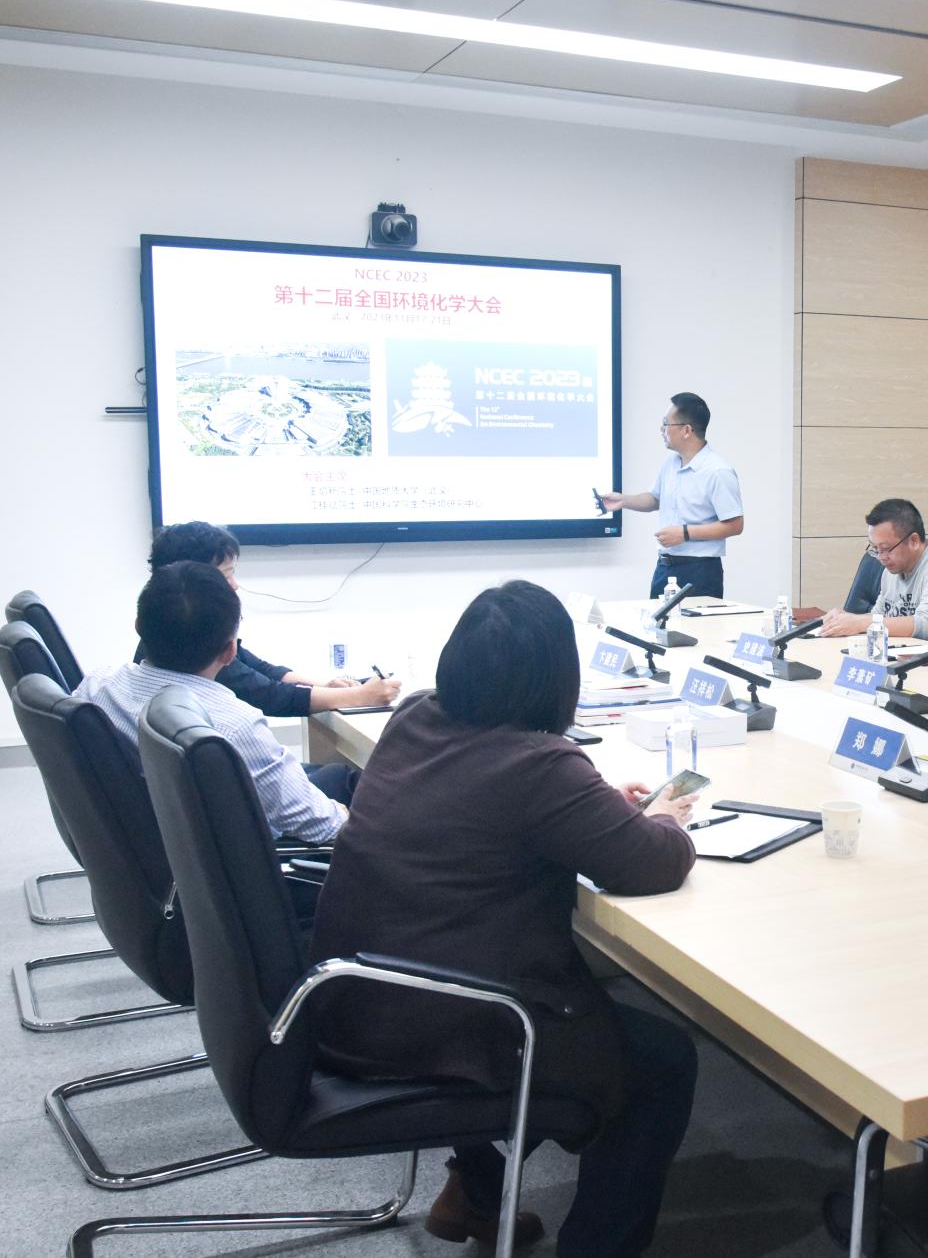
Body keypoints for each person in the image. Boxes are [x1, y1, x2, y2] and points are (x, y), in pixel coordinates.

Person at [309, 580, 701, 1256]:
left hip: (357, 993)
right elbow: (651, 863)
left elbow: (488, 802)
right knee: (661, 1064)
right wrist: (665, 819)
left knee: (572, 1032)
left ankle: (479, 1192)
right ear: (557, 677)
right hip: (446, 1017)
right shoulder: (540, 765)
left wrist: (594, 804)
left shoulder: (415, 715)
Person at [76, 561, 346, 844]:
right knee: (355, 789)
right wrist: (342, 814)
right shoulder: (232, 725)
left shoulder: (96, 687)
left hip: (149, 845)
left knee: (337, 777)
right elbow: (326, 828)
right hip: (257, 860)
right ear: (230, 652)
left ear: (138, 627)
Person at [141, 521, 401, 715]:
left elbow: (260, 670)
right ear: (193, 579)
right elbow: (269, 695)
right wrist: (360, 696)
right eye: (226, 574)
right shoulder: (192, 644)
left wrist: (327, 686)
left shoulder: (159, 631)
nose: (234, 585)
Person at [597, 392, 744, 599]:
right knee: (657, 621)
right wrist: (623, 501)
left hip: (700, 571)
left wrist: (685, 533)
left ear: (687, 430)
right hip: (664, 568)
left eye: (666, 423)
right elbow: (655, 499)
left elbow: (735, 525)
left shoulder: (717, 471)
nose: (661, 429)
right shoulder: (671, 462)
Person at [819, 498, 928, 646]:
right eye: (875, 548)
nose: (881, 557)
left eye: (886, 548)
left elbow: (927, 626)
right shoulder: (891, 570)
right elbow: (877, 617)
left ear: (913, 541)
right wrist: (844, 619)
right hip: (912, 658)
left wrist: (859, 622)